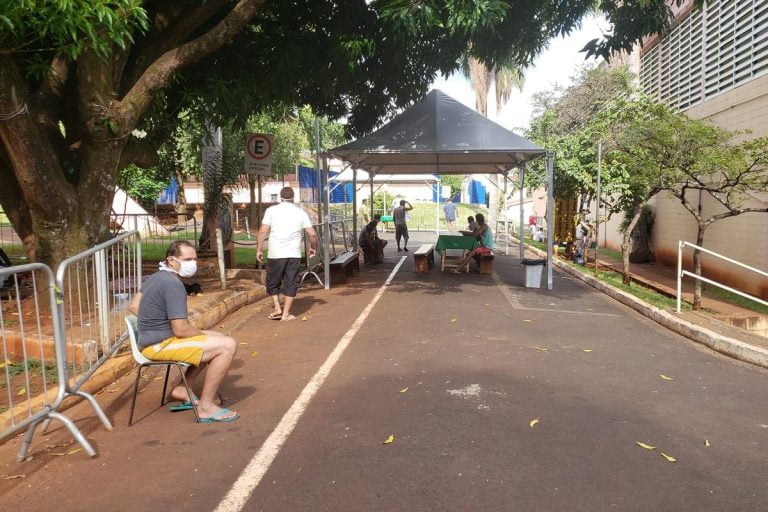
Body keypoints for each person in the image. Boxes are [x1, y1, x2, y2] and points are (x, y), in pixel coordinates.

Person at [128, 240, 239, 423]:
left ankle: (181, 388)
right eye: (187, 259)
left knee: (219, 338)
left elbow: (133, 306)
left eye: (194, 259)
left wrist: (155, 321)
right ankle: (206, 407)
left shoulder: (156, 277)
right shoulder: (173, 285)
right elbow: (180, 329)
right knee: (227, 345)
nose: (192, 264)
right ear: (171, 261)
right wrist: (161, 326)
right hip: (159, 345)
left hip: (154, 340)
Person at [257, 187, 318, 321]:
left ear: (280, 197)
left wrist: (259, 249)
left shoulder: (271, 210)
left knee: (273, 281)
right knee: (291, 282)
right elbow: (312, 234)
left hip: (275, 253)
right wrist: (313, 248)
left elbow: (262, 232)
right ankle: (285, 314)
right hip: (293, 254)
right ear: (293, 197)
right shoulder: (300, 213)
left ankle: (277, 307)